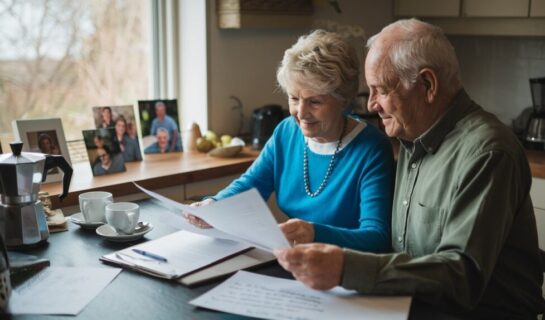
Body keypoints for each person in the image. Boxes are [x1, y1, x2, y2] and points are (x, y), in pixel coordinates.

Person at [274, 19, 545, 318]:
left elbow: (461, 276)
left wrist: (346, 267)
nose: (373, 104)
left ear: (427, 85)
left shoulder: (488, 152)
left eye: (381, 90)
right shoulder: (411, 137)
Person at [185, 29, 395, 252]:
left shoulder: (372, 149)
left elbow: (377, 238)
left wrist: (314, 233)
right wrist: (214, 205)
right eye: (294, 98)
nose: (301, 113)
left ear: (343, 101)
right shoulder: (286, 131)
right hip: (296, 260)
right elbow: (250, 186)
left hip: (348, 269)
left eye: (314, 102)